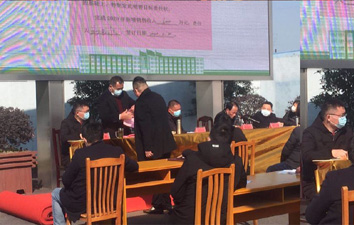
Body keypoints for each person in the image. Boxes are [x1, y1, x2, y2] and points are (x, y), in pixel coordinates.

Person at [51, 122, 138, 225]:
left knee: (55, 193)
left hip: (84, 204)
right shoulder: (117, 151)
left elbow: (66, 180)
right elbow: (134, 166)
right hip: (109, 203)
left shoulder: (80, 154)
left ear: (83, 138)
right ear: (102, 136)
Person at [170, 122, 247, 224]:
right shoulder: (236, 162)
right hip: (220, 218)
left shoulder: (193, 160)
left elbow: (176, 192)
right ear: (230, 144)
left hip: (188, 218)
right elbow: (242, 184)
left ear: (208, 139)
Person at [132, 76, 177, 214]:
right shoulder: (159, 97)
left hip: (153, 145)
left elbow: (145, 126)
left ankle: (159, 204)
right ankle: (164, 203)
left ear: (136, 90)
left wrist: (147, 148)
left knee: (156, 176)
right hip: (165, 142)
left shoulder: (141, 102)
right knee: (164, 175)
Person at [301, 98, 354, 200]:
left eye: (345, 115)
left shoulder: (347, 132)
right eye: (341, 116)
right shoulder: (310, 133)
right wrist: (331, 153)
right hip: (315, 183)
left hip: (343, 181)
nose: (344, 118)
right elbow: (307, 155)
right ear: (328, 117)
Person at [59, 102, 89, 166]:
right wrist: (80, 136)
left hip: (87, 152)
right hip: (70, 155)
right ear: (77, 113)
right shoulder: (66, 123)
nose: (88, 114)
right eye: (86, 112)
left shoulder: (88, 122)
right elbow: (64, 137)